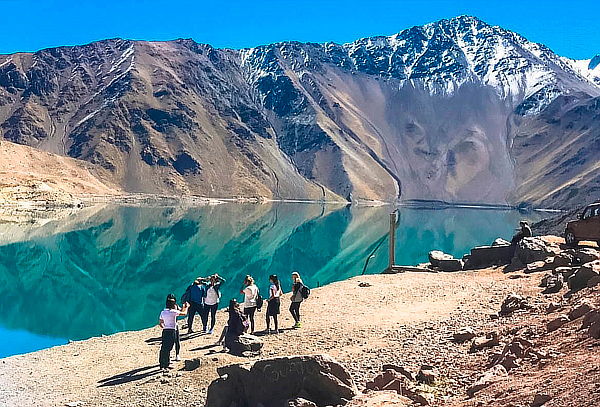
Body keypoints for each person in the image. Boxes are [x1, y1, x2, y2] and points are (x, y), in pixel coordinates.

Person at [159, 295, 189, 372]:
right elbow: (184, 313)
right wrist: (186, 307)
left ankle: (164, 364)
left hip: (165, 331)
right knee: (169, 347)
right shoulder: (173, 312)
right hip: (172, 331)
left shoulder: (163, 312)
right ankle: (164, 365)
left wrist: (165, 326)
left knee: (164, 347)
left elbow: (160, 322)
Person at [166, 294, 182, 361]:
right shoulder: (169, 307)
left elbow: (180, 311)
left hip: (175, 325)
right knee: (170, 342)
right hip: (171, 326)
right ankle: (170, 356)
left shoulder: (176, 306)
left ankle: (177, 355)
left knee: (177, 341)